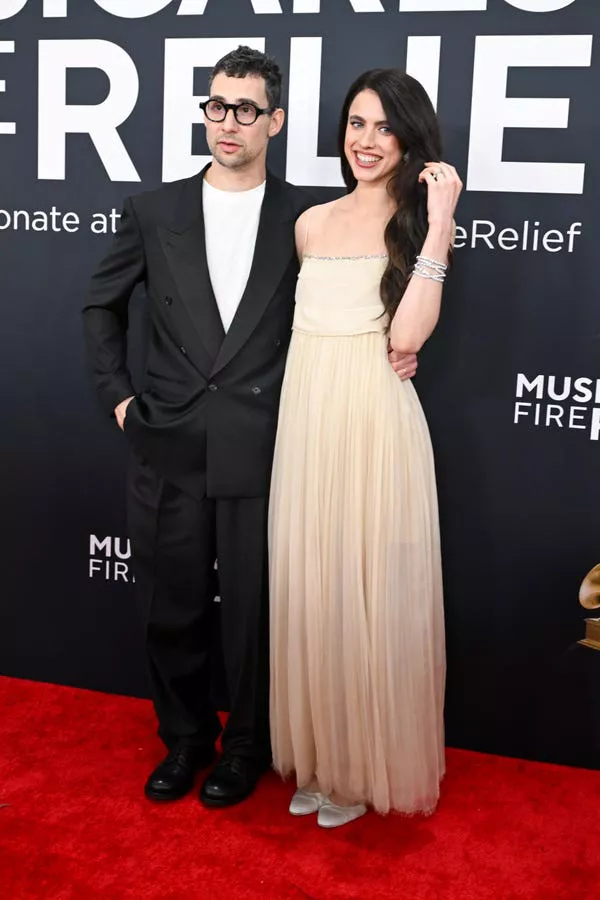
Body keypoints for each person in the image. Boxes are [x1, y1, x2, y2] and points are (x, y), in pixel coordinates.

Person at [82, 47, 417, 809]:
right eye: (215, 106)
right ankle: (186, 742)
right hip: (166, 438)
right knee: (172, 607)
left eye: (244, 109)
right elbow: (99, 305)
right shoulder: (153, 208)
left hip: (267, 443)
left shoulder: (306, 215)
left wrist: (387, 353)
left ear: (276, 120)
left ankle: (245, 751)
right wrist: (120, 398)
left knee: (260, 619)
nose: (226, 122)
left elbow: (350, 298)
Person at [269, 68, 462, 828]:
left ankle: (358, 772)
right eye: (356, 123)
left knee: (368, 598)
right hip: (308, 421)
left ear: (410, 138)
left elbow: (407, 337)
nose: (366, 141)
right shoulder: (310, 223)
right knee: (316, 594)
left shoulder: (414, 224)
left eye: (384, 126)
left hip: (375, 423)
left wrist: (442, 217)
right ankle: (320, 762)